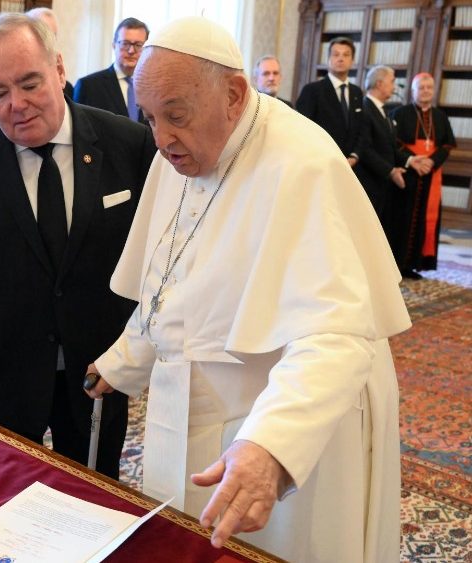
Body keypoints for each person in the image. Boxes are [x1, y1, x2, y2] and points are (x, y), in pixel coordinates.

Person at [84, 17, 409, 562]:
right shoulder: (181, 151)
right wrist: (127, 358)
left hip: (282, 415)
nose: (160, 139)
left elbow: (336, 337)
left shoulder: (303, 163)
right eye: (150, 118)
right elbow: (172, 275)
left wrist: (272, 445)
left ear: (233, 95)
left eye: (175, 117)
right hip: (191, 405)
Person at [0, 13, 157, 480]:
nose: (16, 104)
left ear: (59, 70)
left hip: (99, 366)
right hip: (6, 367)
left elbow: (158, 254)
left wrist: (140, 344)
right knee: (4, 492)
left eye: (29, 83)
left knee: (95, 493)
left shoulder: (129, 144)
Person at [390, 73, 455, 278]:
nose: (425, 91)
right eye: (421, 87)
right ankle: (396, 264)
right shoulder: (400, 113)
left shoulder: (440, 116)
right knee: (402, 218)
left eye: (429, 87)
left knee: (425, 220)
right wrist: (416, 160)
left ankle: (413, 264)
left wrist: (431, 162)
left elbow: (446, 145)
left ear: (433, 90)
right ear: (413, 91)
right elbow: (394, 143)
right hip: (408, 174)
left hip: (431, 174)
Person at [0, 7, 72, 128]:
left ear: (59, 71)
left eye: (30, 86)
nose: (17, 105)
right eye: (0, 94)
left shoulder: (101, 129)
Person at [356, 65, 424, 229]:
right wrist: (390, 171)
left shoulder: (383, 110)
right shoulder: (365, 109)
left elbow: (390, 146)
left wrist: (410, 160)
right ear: (379, 84)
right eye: (392, 81)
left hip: (382, 184)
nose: (394, 86)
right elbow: (365, 150)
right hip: (369, 183)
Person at [296, 37, 364, 166]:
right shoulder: (312, 90)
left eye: (346, 55)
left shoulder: (357, 92)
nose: (340, 58)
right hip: (320, 162)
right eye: (335, 54)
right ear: (328, 59)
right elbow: (303, 129)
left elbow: (361, 128)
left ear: (352, 61)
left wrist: (355, 155)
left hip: (351, 165)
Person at [73, 18, 149, 122]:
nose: (131, 51)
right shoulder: (88, 86)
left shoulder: (152, 86)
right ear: (114, 45)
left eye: (138, 45)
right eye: (125, 44)